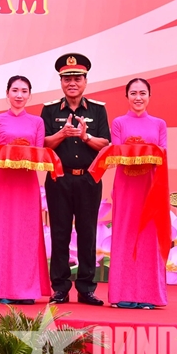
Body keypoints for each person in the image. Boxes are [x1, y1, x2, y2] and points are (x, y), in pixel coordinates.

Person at [42, 53, 110, 305]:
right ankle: (60, 288)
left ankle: (86, 288)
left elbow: (105, 143)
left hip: (88, 180)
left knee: (87, 233)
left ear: (85, 81)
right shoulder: (50, 110)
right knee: (59, 233)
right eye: (67, 79)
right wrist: (62, 134)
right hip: (59, 179)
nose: (72, 83)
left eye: (77, 78)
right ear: (61, 81)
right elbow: (43, 143)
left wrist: (85, 137)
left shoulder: (97, 109)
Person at [0, 76, 50, 304]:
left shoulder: (37, 122)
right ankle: (2, 290)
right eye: (15, 90)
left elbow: (39, 153)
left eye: (24, 91)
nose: (19, 95)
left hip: (27, 182)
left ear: (29, 95)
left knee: (27, 234)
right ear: (7, 93)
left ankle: (26, 291)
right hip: (4, 182)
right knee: (3, 234)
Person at [108, 78, 168, 309]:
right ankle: (121, 294)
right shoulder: (119, 123)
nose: (138, 98)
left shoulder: (159, 124)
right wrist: (144, 151)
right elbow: (117, 154)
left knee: (148, 238)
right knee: (124, 236)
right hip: (125, 187)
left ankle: (148, 296)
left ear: (149, 96)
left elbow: (162, 155)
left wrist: (140, 151)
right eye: (133, 93)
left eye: (142, 93)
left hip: (150, 188)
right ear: (127, 96)